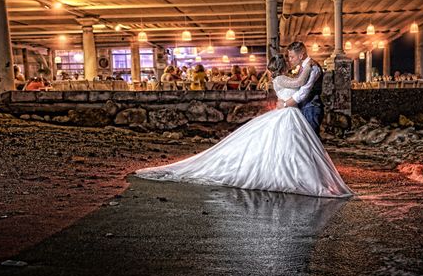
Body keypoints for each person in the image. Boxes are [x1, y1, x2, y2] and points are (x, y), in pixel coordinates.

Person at [136, 54, 352, 198]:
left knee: (288, 148)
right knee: (286, 146)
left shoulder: (282, 78)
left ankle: (295, 173)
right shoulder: (280, 80)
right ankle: (291, 175)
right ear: (282, 67)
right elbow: (298, 84)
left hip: (288, 113)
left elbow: (298, 84)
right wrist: (310, 65)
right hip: (287, 114)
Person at [278, 42, 324, 136]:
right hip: (305, 107)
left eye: (292, 57)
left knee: (311, 141)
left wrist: (285, 104)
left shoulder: (313, 67)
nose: (290, 60)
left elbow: (303, 92)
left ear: (301, 56)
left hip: (311, 108)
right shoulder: (304, 67)